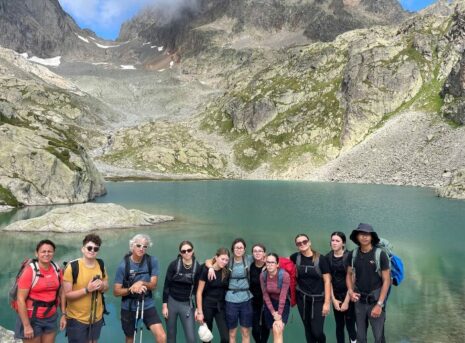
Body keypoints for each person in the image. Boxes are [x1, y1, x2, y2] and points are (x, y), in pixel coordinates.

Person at [113, 234, 166, 343]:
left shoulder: (152, 261)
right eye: (138, 245)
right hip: (128, 307)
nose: (142, 248)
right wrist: (131, 289)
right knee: (130, 338)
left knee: (162, 336)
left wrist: (141, 282)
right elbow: (116, 291)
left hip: (147, 304)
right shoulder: (123, 266)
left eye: (145, 246)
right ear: (132, 246)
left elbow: (153, 285)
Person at [14, 239, 66, 343]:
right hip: (32, 318)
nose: (46, 254)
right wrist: (27, 326)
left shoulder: (57, 269)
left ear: (53, 253)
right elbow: (20, 299)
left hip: (51, 316)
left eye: (49, 251)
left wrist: (63, 314)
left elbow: (61, 293)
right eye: (43, 251)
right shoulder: (30, 271)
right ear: (37, 253)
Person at [346, 223, 390, 343]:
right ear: (357, 236)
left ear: (372, 237)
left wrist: (379, 305)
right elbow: (349, 274)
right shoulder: (353, 254)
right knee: (360, 336)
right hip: (359, 301)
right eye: (361, 234)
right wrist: (350, 291)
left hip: (375, 300)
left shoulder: (380, 255)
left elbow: (387, 281)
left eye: (367, 234)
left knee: (378, 336)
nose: (364, 237)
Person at [63, 234, 109, 343]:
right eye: (89, 248)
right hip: (77, 319)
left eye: (95, 249)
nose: (92, 251)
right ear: (83, 249)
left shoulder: (101, 264)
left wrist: (102, 286)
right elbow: (67, 295)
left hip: (96, 317)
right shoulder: (72, 267)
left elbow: (106, 286)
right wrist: (87, 290)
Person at [207, 238, 253, 343]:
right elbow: (210, 260)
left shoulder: (249, 259)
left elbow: (264, 258)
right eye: (236, 247)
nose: (239, 250)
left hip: (246, 298)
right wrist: (210, 267)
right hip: (231, 299)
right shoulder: (227, 261)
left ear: (245, 249)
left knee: (245, 331)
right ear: (233, 249)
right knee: (231, 332)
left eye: (241, 247)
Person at [290, 234, 331, 343]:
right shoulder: (295, 257)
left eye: (304, 241)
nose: (302, 244)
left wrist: (327, 302)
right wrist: (267, 262)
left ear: (309, 242)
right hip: (302, 299)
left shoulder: (321, 259)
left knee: (317, 331)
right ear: (296, 245)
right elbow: (282, 263)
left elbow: (327, 281)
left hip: (318, 300)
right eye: (299, 243)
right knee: (308, 329)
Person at [162, 240, 200, 343]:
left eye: (189, 250)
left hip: (187, 305)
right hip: (172, 303)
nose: (186, 253)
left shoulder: (197, 267)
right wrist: (164, 306)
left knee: (191, 339)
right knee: (171, 336)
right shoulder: (173, 265)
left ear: (193, 251)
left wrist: (198, 309)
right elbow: (166, 286)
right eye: (183, 251)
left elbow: (198, 290)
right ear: (180, 253)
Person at [195, 247, 230, 343]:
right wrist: (199, 312)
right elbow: (199, 292)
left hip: (220, 307)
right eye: (222, 259)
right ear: (216, 257)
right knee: (207, 338)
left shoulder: (226, 271)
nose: (224, 262)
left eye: (226, 260)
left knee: (226, 338)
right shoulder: (206, 270)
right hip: (207, 306)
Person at [327, 232, 356, 343]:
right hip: (336, 295)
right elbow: (328, 280)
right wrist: (333, 300)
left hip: (349, 295)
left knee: (350, 325)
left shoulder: (349, 256)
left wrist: (347, 301)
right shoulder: (328, 257)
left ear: (343, 243)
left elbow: (353, 280)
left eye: (337, 241)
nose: (334, 243)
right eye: (332, 240)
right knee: (339, 326)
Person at [260, 253, 291, 343]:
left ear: (277, 264)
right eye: (268, 262)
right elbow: (265, 295)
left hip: (283, 304)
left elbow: (283, 296)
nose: (269, 265)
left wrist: (279, 314)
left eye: (272, 262)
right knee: (275, 330)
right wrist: (273, 313)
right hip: (270, 305)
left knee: (277, 328)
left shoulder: (284, 275)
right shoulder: (263, 275)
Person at [249, 243, 269, 343]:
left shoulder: (270, 265)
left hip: (268, 302)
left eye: (260, 251)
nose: (257, 253)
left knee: (265, 327)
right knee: (255, 329)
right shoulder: (250, 266)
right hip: (253, 301)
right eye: (255, 251)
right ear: (252, 253)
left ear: (264, 253)